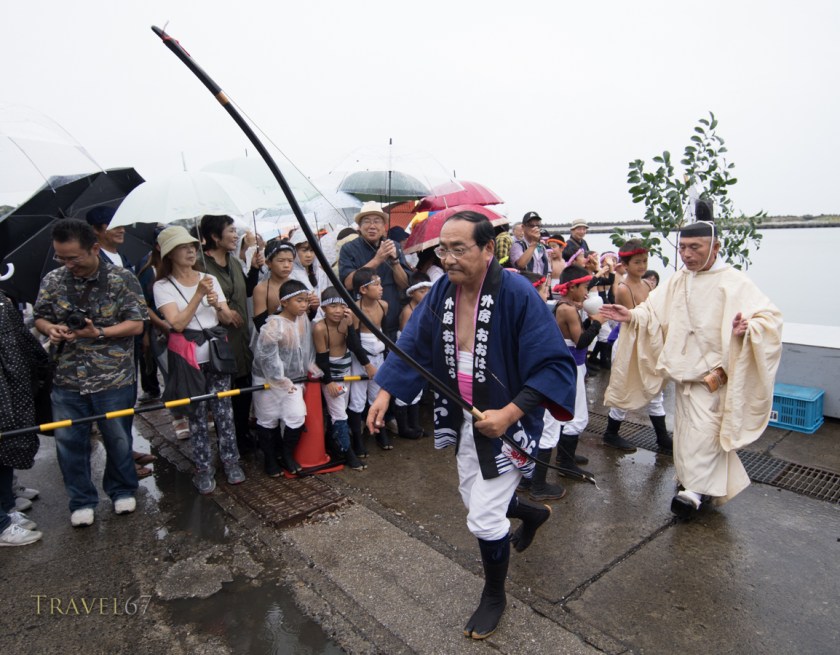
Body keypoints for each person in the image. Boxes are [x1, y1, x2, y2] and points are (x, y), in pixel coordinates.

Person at [366, 210, 576, 640]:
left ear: (486, 250)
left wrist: (511, 414)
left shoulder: (517, 292)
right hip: (463, 413)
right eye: (443, 249)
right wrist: (386, 391)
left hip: (506, 418)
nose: (448, 258)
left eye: (459, 249)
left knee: (482, 517)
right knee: (472, 495)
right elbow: (413, 343)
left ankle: (495, 594)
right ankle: (532, 513)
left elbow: (553, 364)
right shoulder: (443, 288)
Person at [600, 201, 783, 518]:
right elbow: (652, 312)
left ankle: (692, 494)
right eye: (683, 247)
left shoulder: (734, 281)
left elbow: (770, 319)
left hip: (715, 375)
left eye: (695, 247)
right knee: (691, 435)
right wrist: (630, 315)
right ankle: (697, 485)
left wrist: (748, 327)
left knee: (703, 433)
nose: (686, 254)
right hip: (684, 374)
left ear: (715, 247)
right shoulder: (678, 280)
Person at [33, 219, 147, 527]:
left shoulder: (122, 279)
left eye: (73, 257)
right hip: (67, 378)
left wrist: (99, 333)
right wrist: (51, 329)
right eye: (61, 257)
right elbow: (40, 318)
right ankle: (81, 500)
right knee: (69, 442)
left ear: (94, 248)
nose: (67, 264)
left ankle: (122, 489)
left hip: (113, 377)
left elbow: (137, 324)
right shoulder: (53, 280)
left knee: (118, 438)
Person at [153, 226, 246, 494]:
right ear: (170, 253)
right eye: (184, 247)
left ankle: (231, 462)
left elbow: (229, 319)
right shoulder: (163, 286)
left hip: (217, 353)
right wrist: (198, 295)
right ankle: (203, 468)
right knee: (196, 413)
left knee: (224, 411)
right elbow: (178, 323)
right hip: (188, 358)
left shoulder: (208, 278)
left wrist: (218, 304)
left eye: (193, 245)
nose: (191, 250)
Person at [200, 214, 265, 456]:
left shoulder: (234, 262)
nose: (236, 235)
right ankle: (228, 441)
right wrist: (220, 308)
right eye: (230, 231)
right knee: (223, 391)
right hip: (217, 338)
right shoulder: (200, 264)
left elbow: (246, 290)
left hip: (240, 336)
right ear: (214, 236)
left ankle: (242, 435)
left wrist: (255, 270)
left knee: (243, 384)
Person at [602, 240, 672, 453]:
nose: (642, 266)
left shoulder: (648, 285)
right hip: (629, 344)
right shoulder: (624, 288)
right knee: (625, 387)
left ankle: (662, 439)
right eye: (637, 262)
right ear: (626, 263)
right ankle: (611, 433)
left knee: (655, 390)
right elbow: (635, 319)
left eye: (645, 261)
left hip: (648, 342)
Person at [250, 279, 318, 476]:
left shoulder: (304, 320)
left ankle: (286, 454)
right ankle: (270, 459)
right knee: (268, 419)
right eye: (299, 301)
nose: (304, 305)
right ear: (284, 302)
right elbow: (267, 357)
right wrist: (280, 379)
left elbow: (305, 350)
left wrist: (312, 369)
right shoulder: (272, 325)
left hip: (294, 379)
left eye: (306, 300)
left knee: (296, 416)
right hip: (266, 380)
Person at [0, 291, 49, 546]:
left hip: (11, 384)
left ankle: (7, 508)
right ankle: (1, 526)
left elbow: (18, 335)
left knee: (7, 446)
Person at [551, 265, 604, 480]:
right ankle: (565, 463)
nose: (586, 292)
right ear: (572, 287)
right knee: (577, 416)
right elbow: (581, 341)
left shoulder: (564, 305)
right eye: (584, 287)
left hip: (571, 365)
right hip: (572, 364)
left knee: (571, 413)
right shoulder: (568, 309)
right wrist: (598, 322)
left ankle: (566, 456)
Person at [313, 286, 374, 471]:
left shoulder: (345, 321)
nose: (338, 310)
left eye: (341, 306)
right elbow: (321, 359)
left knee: (341, 411)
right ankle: (348, 454)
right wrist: (329, 381)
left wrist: (367, 364)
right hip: (331, 375)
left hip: (346, 371)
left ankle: (336, 446)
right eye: (333, 307)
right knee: (339, 415)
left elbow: (354, 345)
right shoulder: (320, 327)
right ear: (323, 308)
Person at [339, 201, 409, 341]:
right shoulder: (348, 249)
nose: (372, 226)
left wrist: (395, 261)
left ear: (384, 228)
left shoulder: (393, 245)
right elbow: (348, 283)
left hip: (392, 320)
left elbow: (404, 284)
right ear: (359, 227)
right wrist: (378, 259)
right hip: (364, 324)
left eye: (377, 221)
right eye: (367, 221)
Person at [348, 268, 389, 451]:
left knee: (377, 396)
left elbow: (385, 333)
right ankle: (357, 440)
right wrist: (366, 364)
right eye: (376, 284)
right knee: (357, 399)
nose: (381, 288)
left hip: (379, 356)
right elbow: (353, 341)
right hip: (361, 359)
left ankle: (380, 432)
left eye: (380, 283)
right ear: (363, 290)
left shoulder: (383, 305)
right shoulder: (355, 309)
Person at [393, 271, 433, 440]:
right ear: (412, 292)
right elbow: (405, 338)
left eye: (427, 291)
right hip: (408, 354)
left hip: (420, 352)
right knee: (404, 389)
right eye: (421, 291)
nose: (425, 294)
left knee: (417, 389)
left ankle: (415, 425)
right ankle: (404, 427)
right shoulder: (408, 311)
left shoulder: (426, 308)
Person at [252, 239, 296, 330]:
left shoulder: (296, 285)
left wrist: (313, 308)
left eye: (290, 261)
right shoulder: (262, 289)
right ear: (268, 263)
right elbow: (260, 324)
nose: (286, 265)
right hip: (273, 336)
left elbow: (306, 315)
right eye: (281, 261)